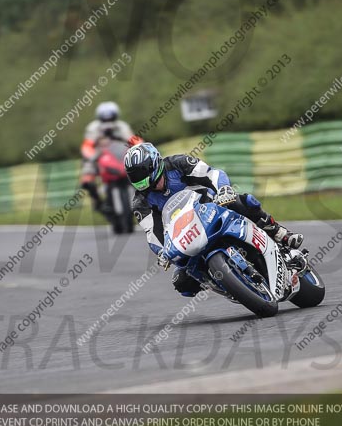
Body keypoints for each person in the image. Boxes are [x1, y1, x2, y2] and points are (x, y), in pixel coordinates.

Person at [124, 142, 303, 297]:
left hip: (212, 208)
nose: (139, 179)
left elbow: (212, 173)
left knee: (243, 202)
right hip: (187, 234)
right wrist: (162, 252)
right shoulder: (140, 202)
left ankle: (280, 233)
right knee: (182, 282)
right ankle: (226, 284)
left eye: (140, 173)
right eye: (134, 176)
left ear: (154, 164)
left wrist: (224, 189)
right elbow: (152, 233)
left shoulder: (178, 164)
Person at [79, 102, 142, 213]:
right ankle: (97, 201)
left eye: (111, 118)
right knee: (87, 178)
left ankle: (145, 197)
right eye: (105, 119)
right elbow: (87, 146)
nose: (108, 123)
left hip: (121, 156)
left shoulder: (122, 126)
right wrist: (92, 156)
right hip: (99, 157)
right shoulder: (93, 128)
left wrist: (141, 148)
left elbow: (135, 140)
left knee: (142, 167)